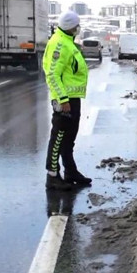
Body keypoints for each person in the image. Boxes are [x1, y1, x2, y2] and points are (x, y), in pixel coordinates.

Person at [43, 10, 91, 190]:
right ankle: (52, 176)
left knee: (69, 138)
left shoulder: (67, 42)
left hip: (72, 98)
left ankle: (70, 171)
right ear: (72, 26)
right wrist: (62, 99)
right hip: (64, 100)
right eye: (77, 25)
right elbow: (52, 75)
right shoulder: (60, 44)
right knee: (59, 138)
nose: (79, 28)